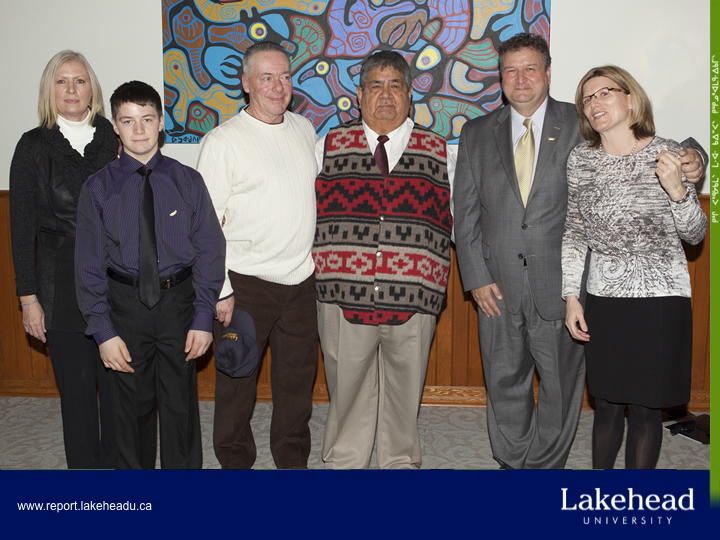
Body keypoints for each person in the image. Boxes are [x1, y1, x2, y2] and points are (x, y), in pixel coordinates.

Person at [452, 33, 706, 469]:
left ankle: (545, 469)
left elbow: (650, 144)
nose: (520, 78)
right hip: (496, 286)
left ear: (548, 73)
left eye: (530, 68)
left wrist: (695, 159)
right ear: (500, 77)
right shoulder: (475, 133)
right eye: (510, 70)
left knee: (562, 386)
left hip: (562, 283)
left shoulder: (583, 121)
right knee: (503, 381)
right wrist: (475, 277)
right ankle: (512, 464)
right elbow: (465, 210)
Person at [75, 81, 225, 469]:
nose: (138, 129)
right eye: (128, 121)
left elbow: (210, 249)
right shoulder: (98, 188)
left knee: (180, 405)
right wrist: (102, 331)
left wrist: (203, 316)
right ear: (115, 126)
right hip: (124, 306)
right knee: (128, 408)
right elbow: (88, 264)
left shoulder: (187, 181)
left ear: (161, 122)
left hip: (178, 304)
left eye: (146, 119)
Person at [314, 51, 453, 469]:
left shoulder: (439, 150)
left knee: (406, 388)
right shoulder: (328, 145)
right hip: (343, 292)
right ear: (360, 95)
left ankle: (399, 462)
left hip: (414, 293)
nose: (386, 95)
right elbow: (299, 211)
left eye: (396, 86)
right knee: (346, 385)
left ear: (410, 96)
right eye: (376, 85)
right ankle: (345, 461)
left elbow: (460, 219)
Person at [562, 66, 707, 469]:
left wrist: (678, 192)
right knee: (606, 404)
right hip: (604, 298)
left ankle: (635, 498)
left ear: (631, 99)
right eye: (586, 98)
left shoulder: (668, 153)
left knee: (645, 409)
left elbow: (695, 233)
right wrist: (571, 297)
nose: (594, 103)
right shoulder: (580, 160)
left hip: (659, 300)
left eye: (604, 92)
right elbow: (574, 232)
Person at [197, 42, 319, 469]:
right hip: (245, 286)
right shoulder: (223, 141)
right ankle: (235, 465)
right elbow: (204, 224)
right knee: (237, 382)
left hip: (301, 283)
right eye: (266, 77)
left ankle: (292, 461)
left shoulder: (304, 129)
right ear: (246, 82)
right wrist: (220, 290)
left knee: (297, 383)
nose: (278, 86)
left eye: (284, 76)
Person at [9, 50, 118, 469]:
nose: (71, 89)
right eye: (62, 81)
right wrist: (28, 299)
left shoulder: (116, 136)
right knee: (77, 397)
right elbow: (22, 230)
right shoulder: (32, 146)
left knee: (119, 395)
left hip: (117, 282)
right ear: (49, 90)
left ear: (92, 89)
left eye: (80, 80)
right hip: (60, 285)